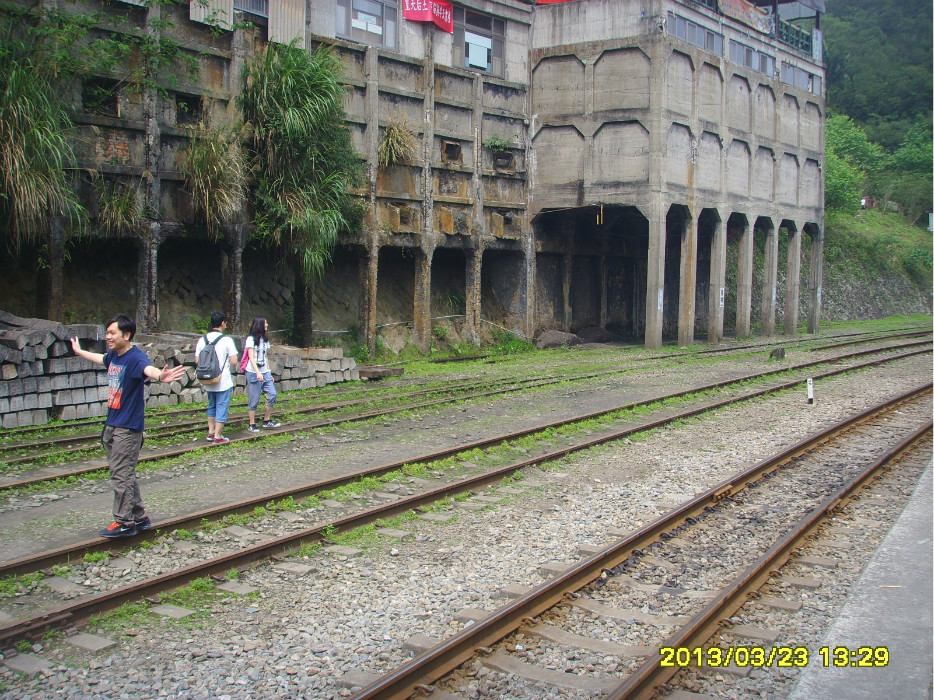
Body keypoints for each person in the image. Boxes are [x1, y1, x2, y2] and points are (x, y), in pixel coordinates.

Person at [71, 314, 186, 538]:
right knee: (126, 473)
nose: (108, 337)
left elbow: (148, 370)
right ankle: (139, 516)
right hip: (112, 424)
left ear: (127, 334)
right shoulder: (115, 356)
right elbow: (101, 358)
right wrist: (80, 352)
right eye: (107, 333)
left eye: (112, 333)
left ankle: (125, 522)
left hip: (128, 428)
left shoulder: (135, 358)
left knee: (120, 475)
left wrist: (160, 376)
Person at [195, 311, 238, 444]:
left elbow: (197, 360)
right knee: (222, 406)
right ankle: (218, 436)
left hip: (207, 379)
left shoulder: (202, 339)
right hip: (222, 379)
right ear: (223, 323)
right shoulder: (227, 340)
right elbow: (234, 361)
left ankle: (211, 432)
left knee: (212, 405)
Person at [244, 316, 281, 433]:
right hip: (253, 372)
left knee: (272, 394)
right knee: (254, 398)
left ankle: (266, 420)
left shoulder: (265, 340)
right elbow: (250, 357)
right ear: (260, 325)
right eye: (265, 324)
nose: (267, 326)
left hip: (265, 371)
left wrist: (269, 373)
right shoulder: (250, 339)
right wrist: (257, 372)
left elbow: (265, 357)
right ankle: (252, 423)